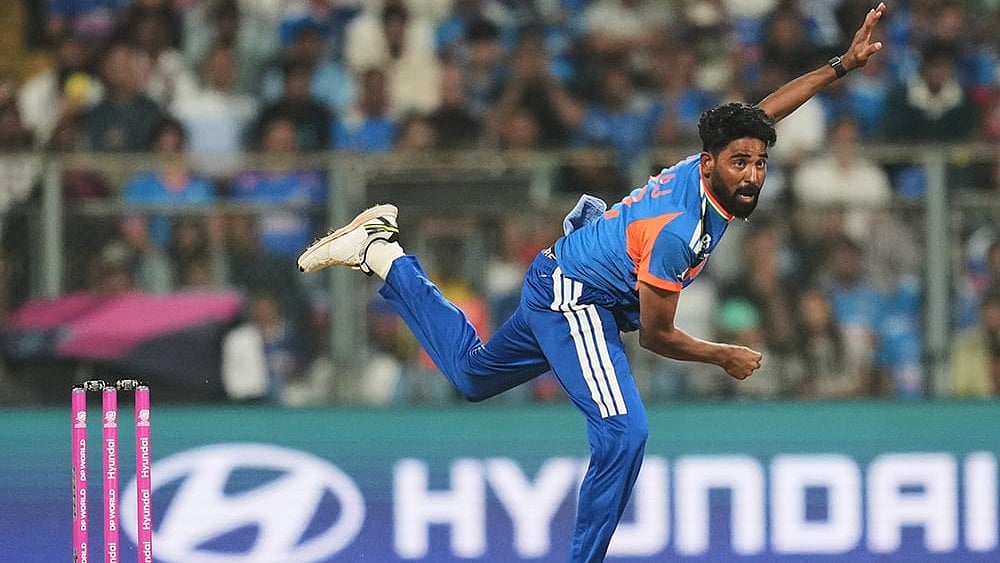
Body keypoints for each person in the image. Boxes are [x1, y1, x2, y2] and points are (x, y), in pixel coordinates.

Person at [297, 5, 888, 561]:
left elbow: (766, 112)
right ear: (710, 162)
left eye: (760, 163)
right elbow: (657, 337)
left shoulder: (703, 172)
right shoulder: (679, 232)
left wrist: (842, 65)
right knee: (624, 433)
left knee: (473, 376)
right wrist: (722, 355)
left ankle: (381, 253)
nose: (753, 174)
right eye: (741, 163)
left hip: (561, 276)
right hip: (573, 298)